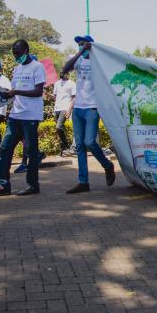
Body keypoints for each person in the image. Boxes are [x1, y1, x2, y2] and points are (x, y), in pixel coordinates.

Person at [0, 40, 46, 197]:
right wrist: (6, 93)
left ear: (26, 50)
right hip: (15, 114)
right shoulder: (17, 69)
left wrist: (16, 92)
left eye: (18, 52)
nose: (16, 56)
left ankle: (33, 185)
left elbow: (38, 92)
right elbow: (14, 91)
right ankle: (3, 185)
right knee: (5, 148)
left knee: (31, 151)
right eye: (13, 53)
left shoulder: (37, 67)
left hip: (30, 115)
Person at [62, 35, 115, 194]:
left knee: (90, 142)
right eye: (79, 44)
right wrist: (79, 53)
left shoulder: (97, 62)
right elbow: (65, 69)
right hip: (78, 108)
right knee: (79, 146)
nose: (81, 46)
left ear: (91, 45)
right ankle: (83, 181)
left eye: (84, 43)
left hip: (92, 108)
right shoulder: (78, 60)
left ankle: (107, 165)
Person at [53, 71, 76, 156]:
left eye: (65, 72)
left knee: (59, 127)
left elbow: (74, 97)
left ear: (68, 74)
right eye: (62, 72)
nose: (62, 73)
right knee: (59, 129)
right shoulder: (57, 83)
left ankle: (66, 145)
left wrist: (69, 109)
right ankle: (64, 148)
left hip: (65, 108)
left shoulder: (72, 84)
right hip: (57, 109)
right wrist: (47, 95)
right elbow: (55, 97)